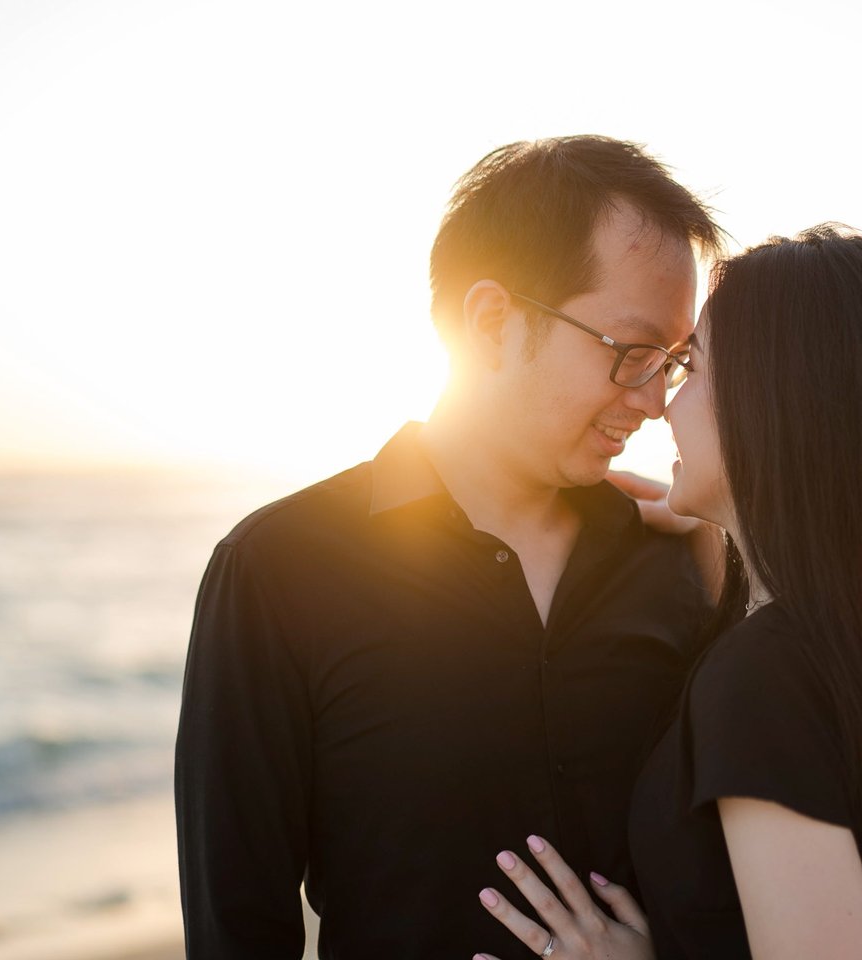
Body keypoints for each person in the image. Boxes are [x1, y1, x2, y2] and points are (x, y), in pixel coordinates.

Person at [174, 136, 724, 958]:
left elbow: (739, 883)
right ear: (493, 320)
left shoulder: (685, 561)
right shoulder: (277, 570)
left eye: (673, 363)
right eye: (629, 353)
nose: (651, 401)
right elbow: (235, 928)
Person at [474, 226, 862, 959]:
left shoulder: (763, 676)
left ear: (776, 399)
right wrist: (713, 526)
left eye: (690, 366)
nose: (661, 405)